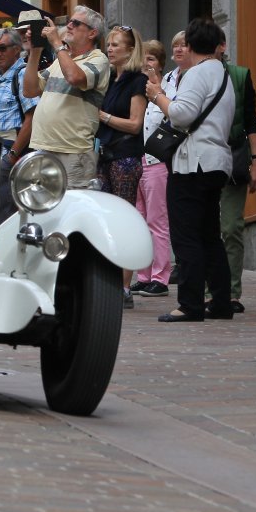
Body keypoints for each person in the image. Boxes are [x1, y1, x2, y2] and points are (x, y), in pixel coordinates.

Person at [146, 19, 234, 323]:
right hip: (215, 161)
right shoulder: (222, 72)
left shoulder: (197, 73)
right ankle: (221, 301)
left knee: (186, 236)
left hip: (193, 162)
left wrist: (157, 95)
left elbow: (182, 114)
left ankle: (189, 304)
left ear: (193, 44)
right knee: (210, 235)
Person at [24, 6, 110, 188]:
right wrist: (35, 51)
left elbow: (74, 77)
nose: (69, 25)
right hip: (44, 148)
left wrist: (57, 44)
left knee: (72, 203)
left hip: (73, 152)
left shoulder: (99, 59)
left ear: (92, 33)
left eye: (76, 23)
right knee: (44, 204)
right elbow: (30, 90)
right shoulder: (61, 60)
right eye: (70, 21)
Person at [96, 25, 148, 306]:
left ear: (130, 49)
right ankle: (107, 282)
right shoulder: (109, 80)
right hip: (105, 154)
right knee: (105, 220)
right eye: (109, 44)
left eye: (116, 44)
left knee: (124, 219)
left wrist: (102, 116)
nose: (110, 48)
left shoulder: (137, 80)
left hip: (126, 155)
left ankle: (125, 286)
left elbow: (135, 124)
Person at [213, 38, 256, 315]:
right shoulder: (188, 76)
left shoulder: (240, 76)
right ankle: (208, 289)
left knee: (231, 226)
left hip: (234, 156)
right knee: (206, 227)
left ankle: (231, 291)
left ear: (222, 46)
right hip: (200, 159)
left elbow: (251, 120)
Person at [132, 39, 174, 297]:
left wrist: (158, 92)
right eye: (143, 59)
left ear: (160, 63)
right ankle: (143, 275)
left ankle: (160, 276)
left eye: (151, 59)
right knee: (140, 220)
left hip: (157, 162)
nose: (146, 63)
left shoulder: (167, 89)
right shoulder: (136, 90)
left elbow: (173, 119)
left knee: (157, 221)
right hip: (138, 161)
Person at [0, 26, 36, 224]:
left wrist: (12, 156)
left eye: (2, 48)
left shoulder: (21, 74)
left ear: (17, 49)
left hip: (8, 154)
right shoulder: (3, 77)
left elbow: (32, 117)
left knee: (2, 219)